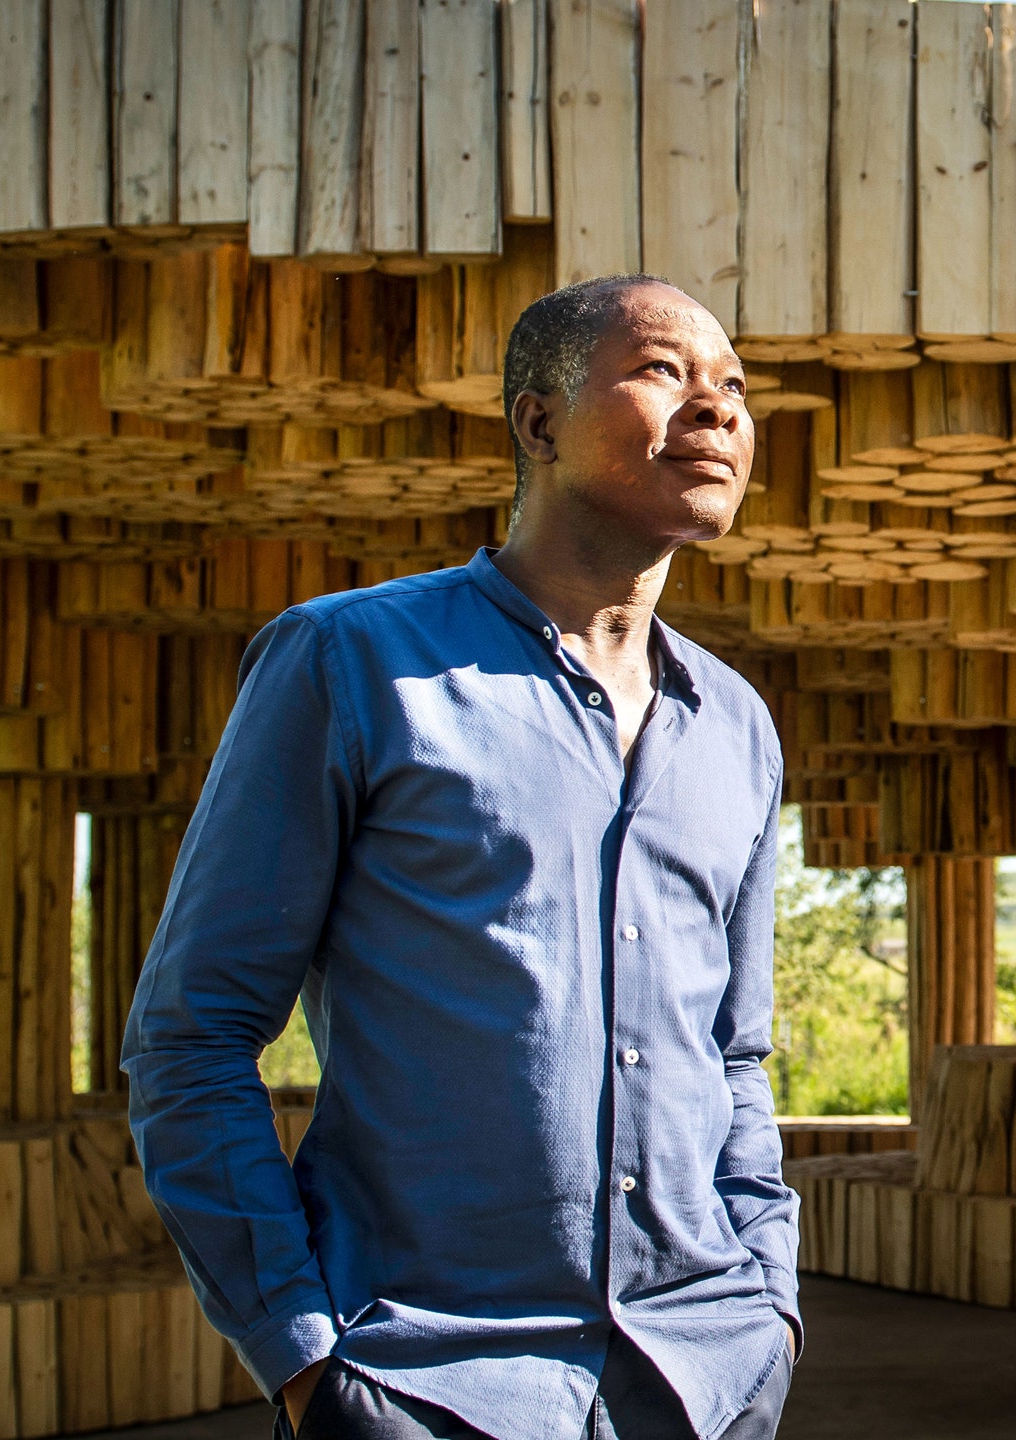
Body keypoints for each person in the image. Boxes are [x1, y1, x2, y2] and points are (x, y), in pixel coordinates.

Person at [125, 274, 799, 1439]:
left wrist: (766, 1310)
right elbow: (192, 1036)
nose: (717, 408)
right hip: (429, 1387)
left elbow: (733, 1057)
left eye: (733, 385)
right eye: (661, 371)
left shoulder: (736, 725)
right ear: (536, 421)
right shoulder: (348, 663)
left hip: (704, 1379)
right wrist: (303, 1358)